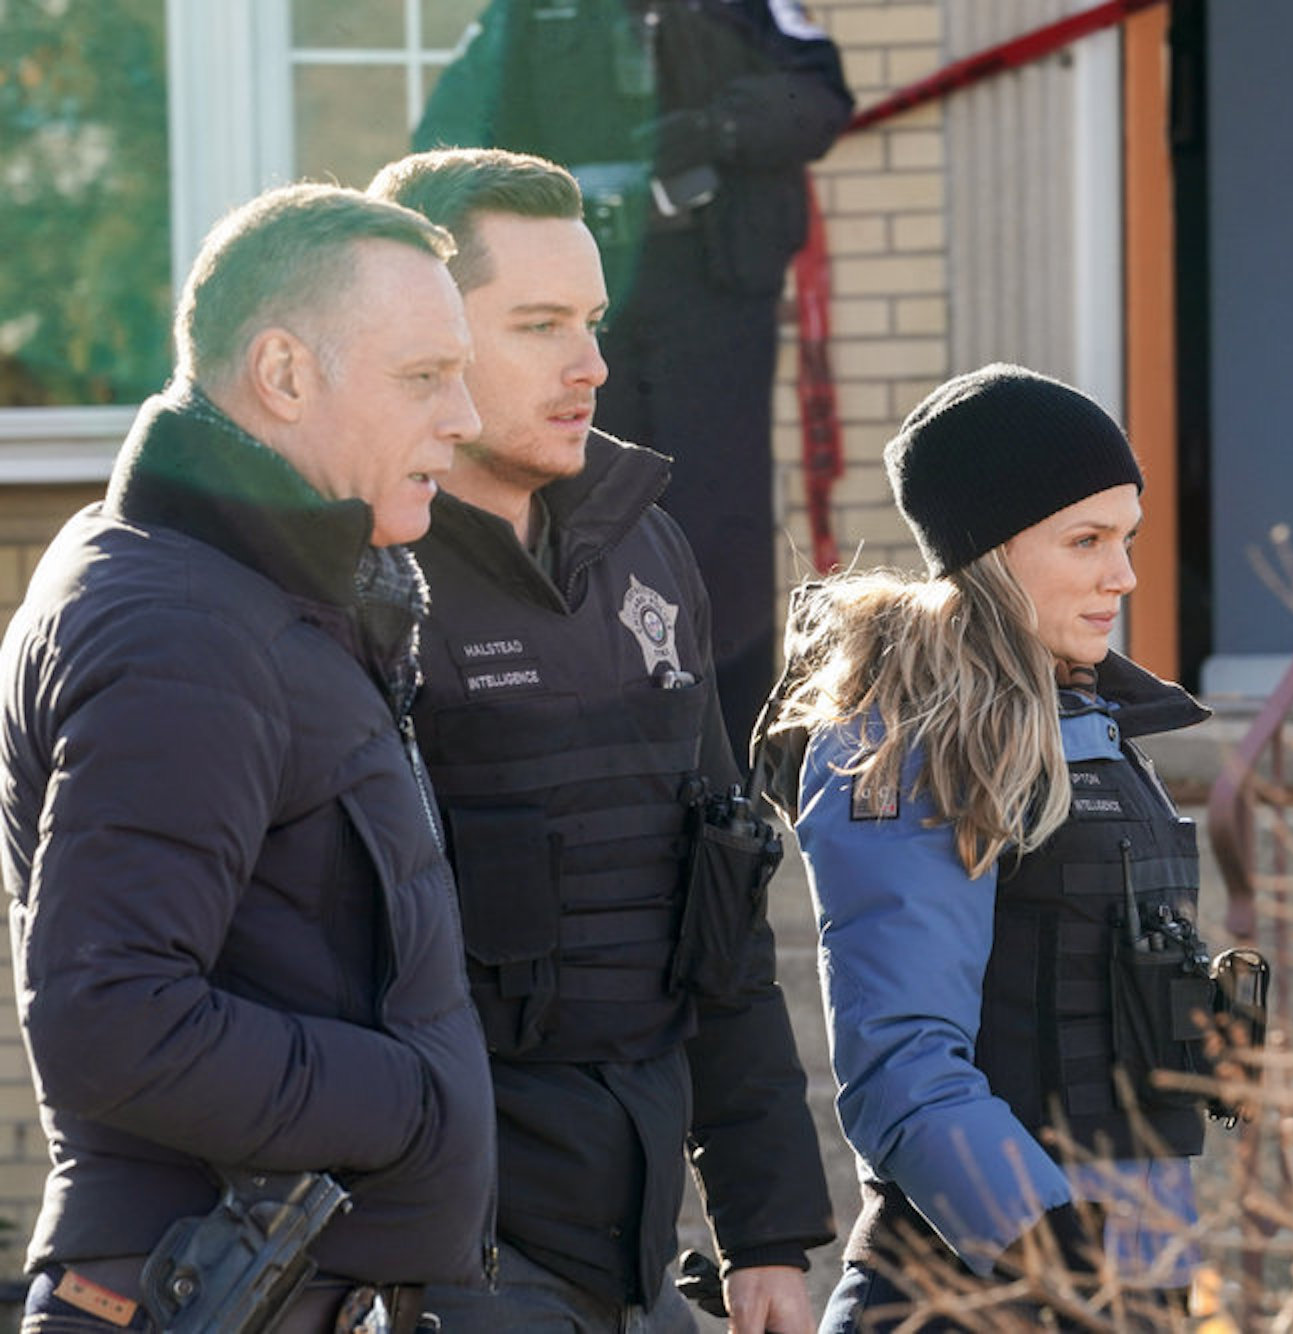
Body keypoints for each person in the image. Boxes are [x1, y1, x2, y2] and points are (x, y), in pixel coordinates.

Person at [0, 183, 495, 1332]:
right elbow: (111, 1018)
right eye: (424, 375)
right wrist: (417, 1102)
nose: (463, 417)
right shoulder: (182, 625)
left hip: (265, 1282)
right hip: (207, 1288)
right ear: (282, 373)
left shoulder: (249, 592)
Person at [367, 147, 834, 1334]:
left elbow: (723, 903)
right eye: (539, 325)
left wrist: (765, 1231)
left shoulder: (647, 551)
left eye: (592, 321)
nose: (591, 365)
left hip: (637, 1260)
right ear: (423, 339)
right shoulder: (360, 583)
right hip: (446, 1257)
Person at [755, 365, 1234, 1330]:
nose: (1123, 576)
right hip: (984, 1293)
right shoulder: (906, 742)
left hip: (1130, 1280)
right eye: (1086, 540)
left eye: (1128, 539)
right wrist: (1058, 1261)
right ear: (989, 553)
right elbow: (901, 1069)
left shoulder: (1093, 728)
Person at [414, 0, 854, 768]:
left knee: (719, 524)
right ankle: (585, 733)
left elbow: (818, 98)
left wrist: (717, 129)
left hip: (709, 294)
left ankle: (735, 765)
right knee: (581, 504)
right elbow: (451, 125)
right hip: (582, 292)